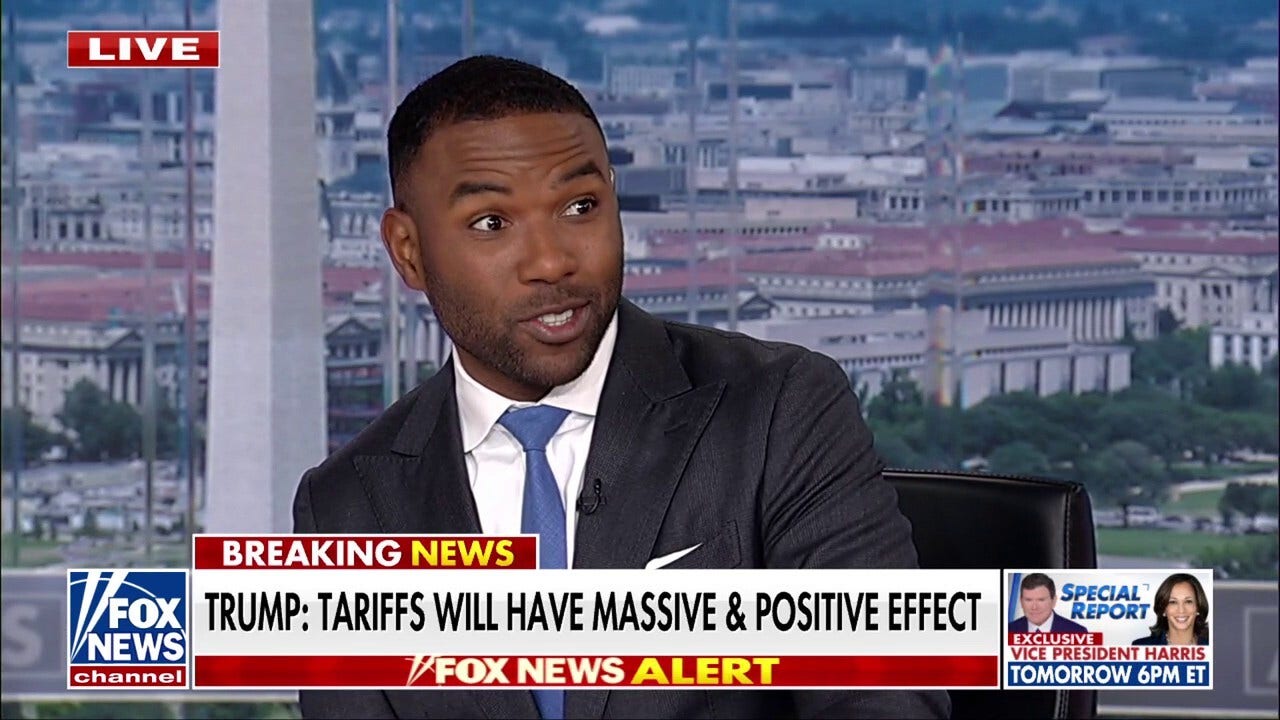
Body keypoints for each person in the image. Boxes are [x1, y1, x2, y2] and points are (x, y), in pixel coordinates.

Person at [293, 55, 948, 720]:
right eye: (492, 222)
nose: (552, 261)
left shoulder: (780, 407)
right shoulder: (345, 507)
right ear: (408, 250)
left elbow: (882, 697)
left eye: (580, 207)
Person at [1132, 573, 1210, 646]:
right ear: (1163, 609)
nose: (1181, 610)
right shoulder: (1140, 646)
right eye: (1173, 602)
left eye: (1188, 601)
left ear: (1198, 607)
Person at [1007, 573, 1089, 634]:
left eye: (1041, 600)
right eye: (1028, 600)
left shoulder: (1077, 632)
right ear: (1021, 601)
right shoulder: (1008, 630)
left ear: (1053, 601)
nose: (1034, 607)